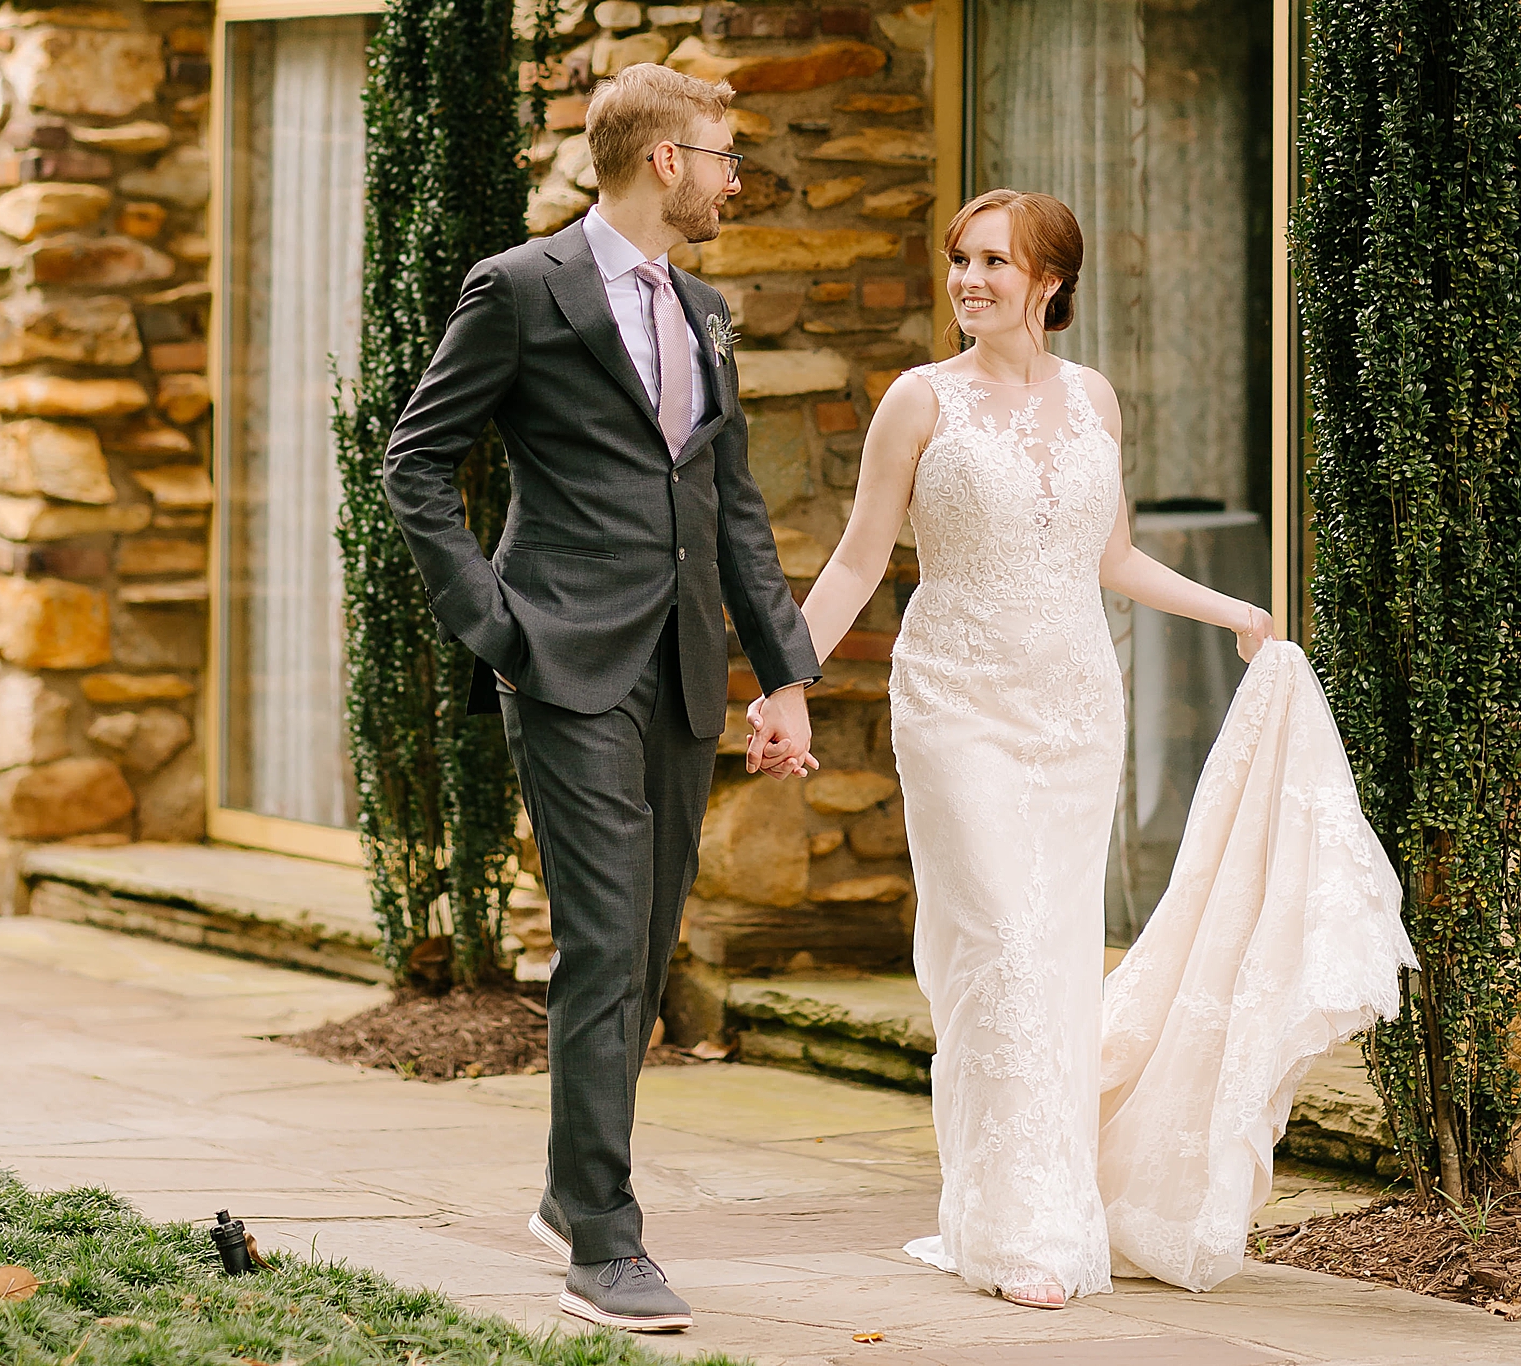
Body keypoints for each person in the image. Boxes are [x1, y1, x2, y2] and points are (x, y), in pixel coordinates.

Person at [756, 189, 1282, 1310]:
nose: (967, 280)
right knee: (993, 942)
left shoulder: (1093, 398)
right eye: (958, 260)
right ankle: (1013, 1226)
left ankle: (1049, 1199)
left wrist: (1229, 610)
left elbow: (1114, 557)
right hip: (954, 708)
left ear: (1047, 279)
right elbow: (854, 564)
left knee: (1050, 956)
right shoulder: (917, 400)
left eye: (993, 261)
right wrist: (783, 677)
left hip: (1075, 709)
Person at [382, 63, 821, 1333]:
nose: (737, 176)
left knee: (642, 943)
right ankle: (607, 1243)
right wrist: (497, 627)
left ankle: (570, 1191)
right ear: (661, 160)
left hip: (681, 664)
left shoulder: (703, 306)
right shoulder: (520, 290)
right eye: (723, 153)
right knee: (601, 934)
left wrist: (781, 670)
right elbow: (416, 461)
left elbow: (728, 502)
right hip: (563, 661)